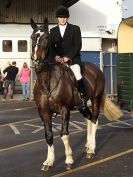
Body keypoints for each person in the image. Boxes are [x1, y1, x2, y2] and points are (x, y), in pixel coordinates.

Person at [49, 5, 88, 110]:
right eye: (60, 17)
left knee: (77, 72)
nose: (62, 19)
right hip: (57, 60)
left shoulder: (75, 28)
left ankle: (83, 97)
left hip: (73, 59)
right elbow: (51, 47)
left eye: (64, 17)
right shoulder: (52, 31)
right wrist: (55, 56)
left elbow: (77, 45)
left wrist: (68, 57)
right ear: (57, 18)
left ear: (67, 18)